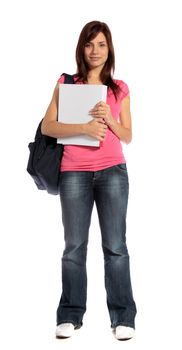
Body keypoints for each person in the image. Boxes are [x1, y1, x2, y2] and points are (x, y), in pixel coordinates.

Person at [41, 20, 137, 341]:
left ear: (109, 50)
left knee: (116, 247)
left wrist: (109, 118)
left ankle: (123, 317)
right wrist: (83, 128)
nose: (95, 51)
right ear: (81, 48)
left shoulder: (119, 88)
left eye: (101, 45)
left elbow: (128, 135)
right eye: (89, 44)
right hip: (74, 173)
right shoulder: (67, 83)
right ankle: (70, 314)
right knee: (74, 247)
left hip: (112, 172)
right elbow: (48, 127)